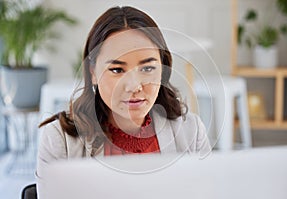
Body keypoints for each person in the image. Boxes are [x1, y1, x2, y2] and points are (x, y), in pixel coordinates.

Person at [36, 5, 211, 197]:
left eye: (147, 69)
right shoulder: (59, 140)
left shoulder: (191, 133)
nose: (134, 86)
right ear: (93, 73)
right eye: (117, 70)